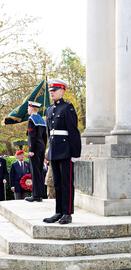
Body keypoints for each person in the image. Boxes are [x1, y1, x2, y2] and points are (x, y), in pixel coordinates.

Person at [43, 79, 82, 225]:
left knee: (66, 183)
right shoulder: (49, 110)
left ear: (62, 91)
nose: (51, 92)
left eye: (55, 90)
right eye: (50, 90)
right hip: (54, 151)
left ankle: (67, 213)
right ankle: (58, 212)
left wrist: (75, 154)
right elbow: (49, 133)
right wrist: (48, 151)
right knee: (57, 184)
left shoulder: (68, 108)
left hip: (66, 151)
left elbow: (73, 132)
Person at [25, 101, 48, 202]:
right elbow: (45, 136)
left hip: (34, 148)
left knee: (35, 171)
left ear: (32, 108)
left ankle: (35, 195)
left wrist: (31, 149)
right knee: (39, 171)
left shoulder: (31, 119)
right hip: (41, 147)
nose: (27, 110)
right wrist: (43, 147)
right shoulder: (42, 120)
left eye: (28, 108)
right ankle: (40, 194)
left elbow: (31, 136)